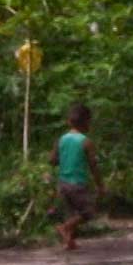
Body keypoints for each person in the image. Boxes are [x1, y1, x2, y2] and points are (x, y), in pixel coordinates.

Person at [50, 103, 104, 250]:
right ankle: (64, 228)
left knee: (71, 212)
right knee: (88, 212)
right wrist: (100, 185)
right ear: (87, 122)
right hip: (77, 183)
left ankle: (69, 242)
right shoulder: (86, 142)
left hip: (63, 182)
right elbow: (94, 166)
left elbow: (52, 160)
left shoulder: (61, 140)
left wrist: (65, 157)